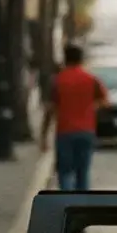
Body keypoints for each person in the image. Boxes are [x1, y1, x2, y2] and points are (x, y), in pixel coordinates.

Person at [40, 43, 108, 190]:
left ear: (65, 59)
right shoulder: (91, 79)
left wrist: (44, 136)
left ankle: (67, 203)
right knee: (82, 173)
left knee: (65, 172)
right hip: (86, 131)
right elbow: (105, 102)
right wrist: (91, 109)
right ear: (81, 59)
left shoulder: (58, 80)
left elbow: (49, 109)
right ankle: (82, 204)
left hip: (65, 131)